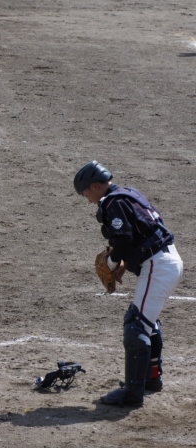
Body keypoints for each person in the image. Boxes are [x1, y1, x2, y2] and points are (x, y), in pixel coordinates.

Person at [74, 161, 183, 406]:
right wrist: (125, 262)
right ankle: (150, 378)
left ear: (95, 186)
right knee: (146, 322)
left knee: (136, 327)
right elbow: (142, 232)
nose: (88, 199)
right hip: (165, 261)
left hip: (158, 266)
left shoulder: (113, 202)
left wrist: (112, 262)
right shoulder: (129, 194)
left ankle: (133, 394)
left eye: (86, 194)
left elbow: (123, 240)